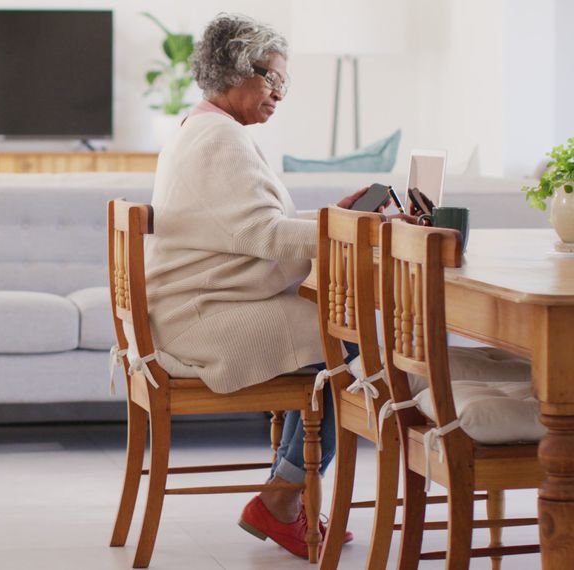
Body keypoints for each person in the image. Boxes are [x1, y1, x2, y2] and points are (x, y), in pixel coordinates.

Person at [143, 13, 401, 558]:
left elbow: (245, 223)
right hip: (202, 317)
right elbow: (262, 233)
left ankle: (285, 494)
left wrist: (332, 216)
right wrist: (352, 229)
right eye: (273, 79)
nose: (280, 93)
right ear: (238, 69)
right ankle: (283, 499)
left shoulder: (206, 128)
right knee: (350, 341)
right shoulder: (221, 140)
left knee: (342, 335)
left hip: (198, 302)